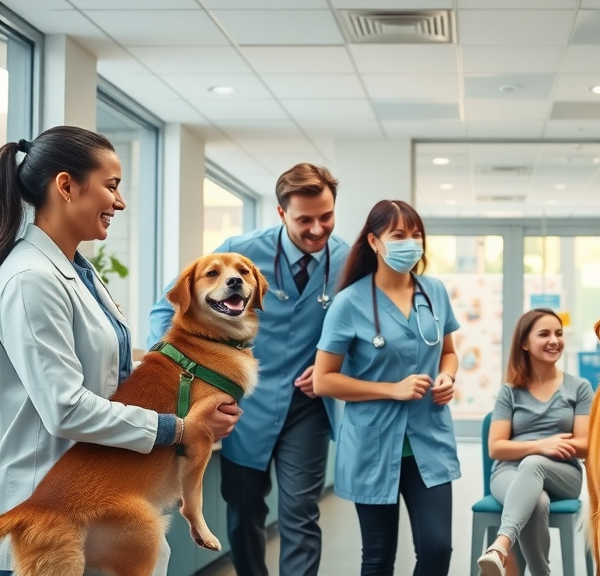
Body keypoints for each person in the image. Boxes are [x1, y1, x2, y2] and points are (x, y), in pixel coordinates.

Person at [0, 126, 239, 576]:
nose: (120, 202)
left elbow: (112, 376)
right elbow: (65, 409)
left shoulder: (81, 273)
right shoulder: (31, 278)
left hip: (98, 496)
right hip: (50, 504)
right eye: (111, 187)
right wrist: (177, 427)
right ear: (67, 186)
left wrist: (194, 403)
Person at [148, 163, 349, 576]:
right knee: (244, 513)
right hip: (240, 408)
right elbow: (164, 308)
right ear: (280, 213)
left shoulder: (347, 259)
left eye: (326, 217)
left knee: (301, 513)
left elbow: (362, 324)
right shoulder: (239, 252)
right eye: (304, 219)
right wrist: (188, 366)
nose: (316, 229)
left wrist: (335, 365)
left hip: (306, 406)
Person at [312, 199, 460, 576]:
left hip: (429, 439)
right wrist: (391, 389)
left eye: (416, 235)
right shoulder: (348, 303)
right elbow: (323, 379)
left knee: (438, 547)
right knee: (378, 556)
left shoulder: (435, 292)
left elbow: (449, 352)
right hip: (373, 443)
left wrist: (447, 377)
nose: (410, 243)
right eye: (399, 235)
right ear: (375, 242)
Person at [476, 308, 593, 576]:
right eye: (544, 334)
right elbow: (496, 447)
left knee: (534, 464)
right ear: (525, 343)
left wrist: (544, 452)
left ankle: (500, 546)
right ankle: (542, 572)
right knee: (537, 500)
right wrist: (541, 446)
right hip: (508, 472)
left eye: (559, 333)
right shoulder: (509, 391)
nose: (555, 340)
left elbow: (585, 444)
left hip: (563, 474)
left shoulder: (580, 388)